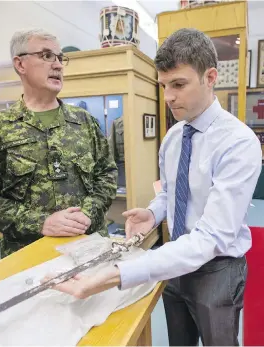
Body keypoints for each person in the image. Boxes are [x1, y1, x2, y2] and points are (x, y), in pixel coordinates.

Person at [50, 28, 262, 346]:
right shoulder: (173, 138)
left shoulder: (238, 143)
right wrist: (152, 212)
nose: (169, 97)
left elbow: (213, 236)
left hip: (217, 268)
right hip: (173, 259)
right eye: (164, 85)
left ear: (210, 77)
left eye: (178, 84)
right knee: (179, 341)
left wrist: (122, 272)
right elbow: (168, 192)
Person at [0, 29, 118, 258]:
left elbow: (107, 175)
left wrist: (88, 213)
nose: (58, 65)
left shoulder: (85, 122)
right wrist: (40, 223)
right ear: (20, 64)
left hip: (88, 246)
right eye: (47, 56)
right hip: (28, 255)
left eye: (59, 58)